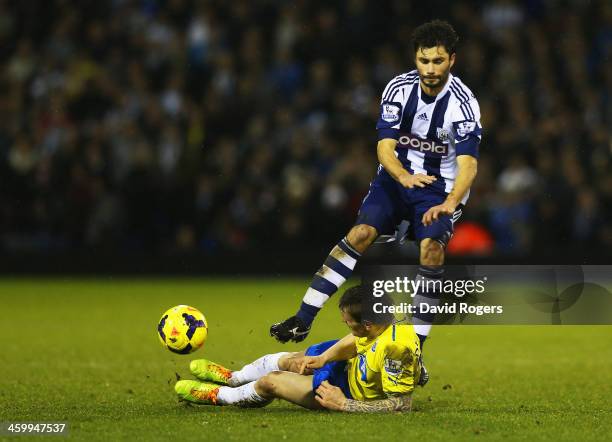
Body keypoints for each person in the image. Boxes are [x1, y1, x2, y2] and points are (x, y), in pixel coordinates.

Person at [269, 20, 482, 372]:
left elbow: (469, 166)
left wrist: (448, 203)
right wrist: (403, 176)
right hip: (396, 179)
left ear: (452, 60)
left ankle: (413, 351)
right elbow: (384, 147)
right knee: (360, 234)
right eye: (423, 60)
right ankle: (302, 317)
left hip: (440, 190)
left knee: (431, 251)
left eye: (438, 61)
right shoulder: (398, 89)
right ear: (415, 58)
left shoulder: (463, 104)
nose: (430, 69)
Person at [175, 286, 421, 412]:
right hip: (349, 367)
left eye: (348, 321)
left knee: (271, 381)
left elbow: (402, 405)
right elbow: (358, 340)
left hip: (347, 391)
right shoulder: (384, 319)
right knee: (293, 361)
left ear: (367, 324)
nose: (343, 323)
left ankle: (218, 396)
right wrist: (324, 358)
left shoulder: (395, 348)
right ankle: (233, 377)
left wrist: (344, 404)